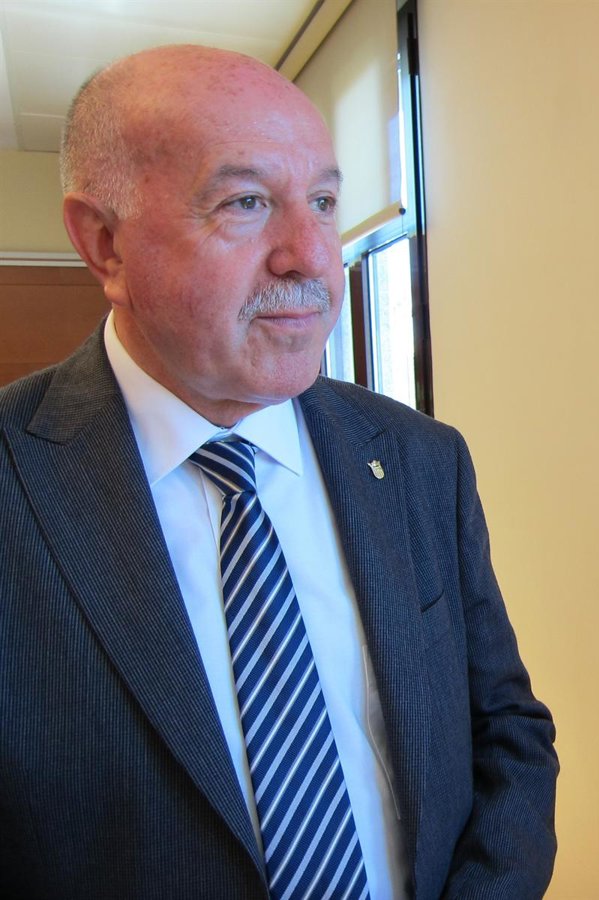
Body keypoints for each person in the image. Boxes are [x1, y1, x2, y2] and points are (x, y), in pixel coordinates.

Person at [0, 44, 557, 899]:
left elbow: (508, 734)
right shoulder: (19, 479)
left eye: (324, 203)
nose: (311, 256)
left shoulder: (419, 459)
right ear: (105, 243)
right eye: (246, 203)